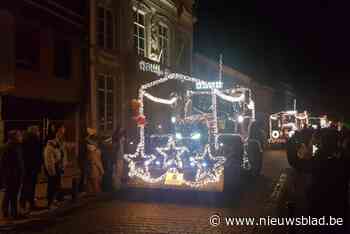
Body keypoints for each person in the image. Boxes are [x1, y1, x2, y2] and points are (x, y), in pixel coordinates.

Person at [287, 128, 350, 233]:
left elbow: (297, 163)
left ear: (323, 142)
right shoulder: (343, 160)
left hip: (319, 205)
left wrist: (290, 146)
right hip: (339, 205)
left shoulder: (320, 159)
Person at [1, 130, 24, 219]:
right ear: (14, 137)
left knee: (12, 194)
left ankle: (11, 212)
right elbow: (4, 164)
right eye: (19, 135)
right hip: (11, 176)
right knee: (10, 194)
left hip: (17, 175)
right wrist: (10, 174)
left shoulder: (17, 146)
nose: (21, 137)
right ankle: (9, 213)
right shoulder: (7, 147)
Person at [43, 124, 67, 209]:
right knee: (52, 185)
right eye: (61, 131)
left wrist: (63, 165)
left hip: (58, 166)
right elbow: (49, 160)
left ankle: (54, 200)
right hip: (54, 167)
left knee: (56, 185)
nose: (62, 133)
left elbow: (62, 154)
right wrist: (52, 171)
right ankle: (50, 203)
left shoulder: (59, 142)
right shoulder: (50, 145)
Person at [20, 126, 42, 213]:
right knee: (29, 186)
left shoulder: (25, 140)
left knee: (28, 186)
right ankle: (27, 204)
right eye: (38, 131)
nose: (39, 132)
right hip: (31, 167)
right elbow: (36, 154)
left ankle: (27, 203)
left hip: (29, 167)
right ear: (34, 132)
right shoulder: (33, 140)